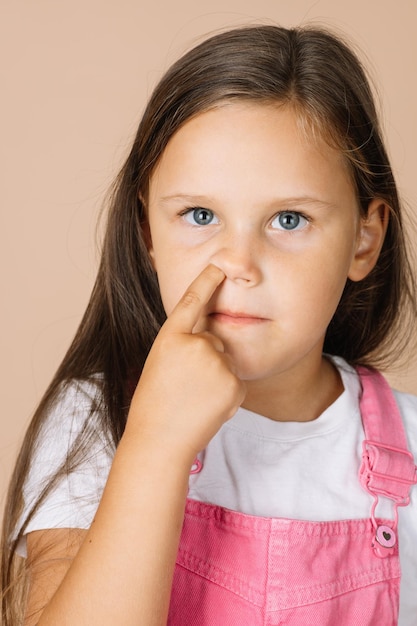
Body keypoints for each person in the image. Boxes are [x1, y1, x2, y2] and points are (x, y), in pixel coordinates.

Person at [1, 24, 417, 626]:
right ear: (147, 231)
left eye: (290, 220)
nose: (238, 265)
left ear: (364, 238)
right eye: (200, 215)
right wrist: (156, 443)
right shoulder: (97, 419)